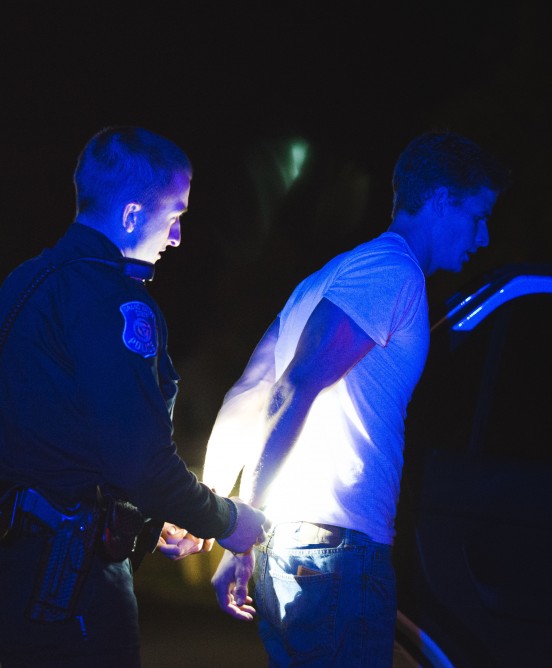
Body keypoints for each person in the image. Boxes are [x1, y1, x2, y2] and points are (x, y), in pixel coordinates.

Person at [203, 131, 509, 666]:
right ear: (440, 199)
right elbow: (292, 386)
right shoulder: (393, 273)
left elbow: (249, 390)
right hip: (337, 555)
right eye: (478, 215)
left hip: (296, 547)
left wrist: (222, 515)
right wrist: (240, 517)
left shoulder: (323, 279)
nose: (483, 237)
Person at [0, 126, 267, 668]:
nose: (177, 236)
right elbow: (141, 462)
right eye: (174, 214)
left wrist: (158, 514)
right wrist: (230, 522)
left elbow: (63, 437)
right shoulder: (113, 301)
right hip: (66, 576)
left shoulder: (26, 281)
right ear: (131, 216)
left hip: (14, 562)